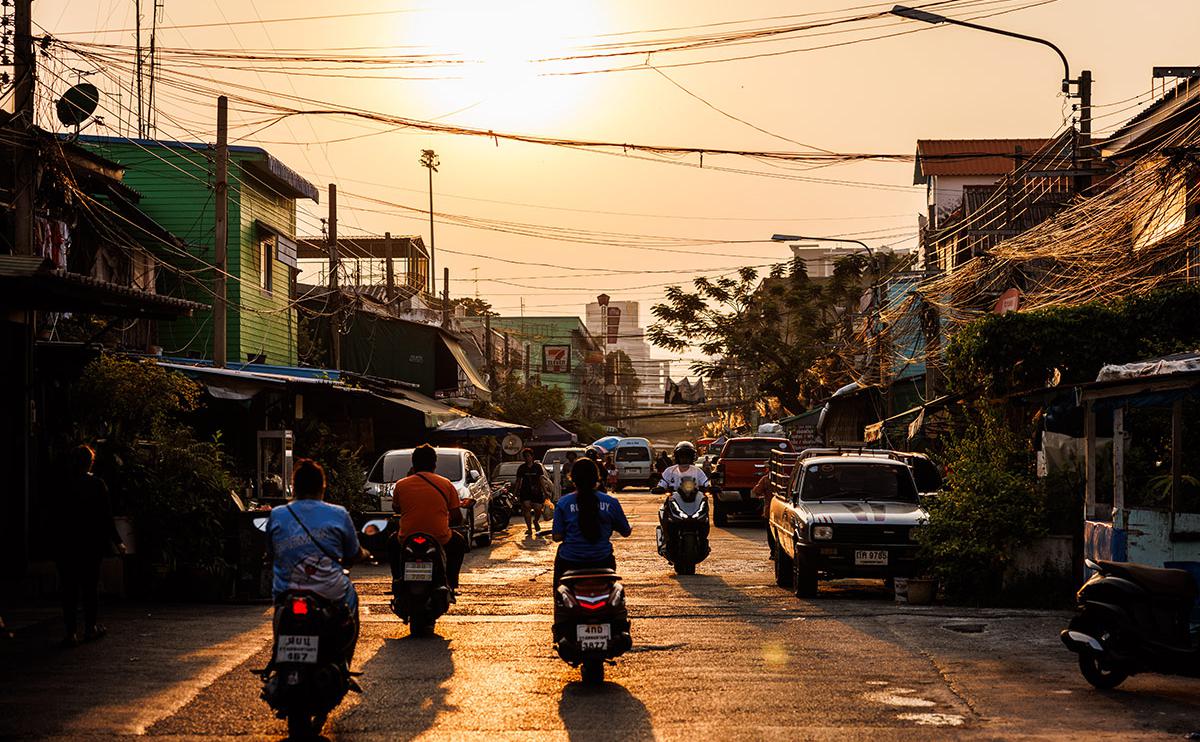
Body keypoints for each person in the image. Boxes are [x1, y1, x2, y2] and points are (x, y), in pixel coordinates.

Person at [266, 459, 365, 659]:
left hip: (286, 593)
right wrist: (363, 554)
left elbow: (270, 552)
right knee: (351, 596)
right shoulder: (338, 514)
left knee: (279, 609)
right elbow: (353, 552)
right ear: (323, 486)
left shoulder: (277, 514)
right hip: (329, 592)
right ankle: (344, 660)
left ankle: (278, 654)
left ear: (294, 487)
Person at [58, 444, 125, 647]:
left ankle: (71, 632)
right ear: (90, 462)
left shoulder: (63, 485)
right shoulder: (97, 485)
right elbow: (106, 516)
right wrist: (118, 541)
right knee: (89, 586)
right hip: (90, 544)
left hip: (67, 543)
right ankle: (90, 628)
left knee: (69, 588)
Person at [391, 444, 467, 589]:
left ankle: (397, 579)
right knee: (459, 542)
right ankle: (451, 582)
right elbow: (457, 517)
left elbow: (397, 508)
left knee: (391, 543)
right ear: (434, 464)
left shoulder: (401, 485)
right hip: (439, 536)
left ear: (413, 464)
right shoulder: (446, 484)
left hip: (407, 536)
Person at [551, 459, 631, 585]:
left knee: (561, 594)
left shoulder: (563, 503)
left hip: (570, 561)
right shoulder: (611, 503)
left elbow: (557, 536)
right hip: (603, 560)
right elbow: (626, 531)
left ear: (572, 478)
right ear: (597, 478)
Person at [514, 448, 548, 535]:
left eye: (528, 456)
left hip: (537, 491)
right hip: (525, 491)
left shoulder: (538, 467)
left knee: (538, 509)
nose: (527, 458)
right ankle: (529, 529)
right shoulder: (521, 468)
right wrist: (515, 493)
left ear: (532, 457)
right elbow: (518, 481)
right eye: (525, 456)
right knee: (526, 508)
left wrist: (545, 491)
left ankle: (536, 521)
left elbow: (541, 479)